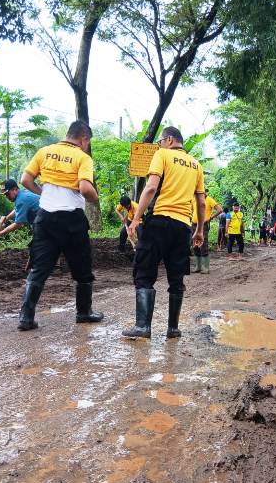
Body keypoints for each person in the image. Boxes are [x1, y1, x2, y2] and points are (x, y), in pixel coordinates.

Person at [16, 120, 103, 331]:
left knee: (39, 268)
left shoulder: (45, 152)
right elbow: (84, 188)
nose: (86, 145)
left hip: (45, 219)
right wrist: (95, 198)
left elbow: (25, 179)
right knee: (82, 268)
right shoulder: (83, 157)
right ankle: (84, 313)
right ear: (84, 138)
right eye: (87, 142)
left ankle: (26, 318)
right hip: (72, 220)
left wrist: (43, 193)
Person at [123, 126, 205, 340]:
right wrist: (199, 230)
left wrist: (136, 218)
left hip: (159, 222)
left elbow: (150, 188)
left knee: (143, 272)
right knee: (176, 278)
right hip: (182, 227)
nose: (159, 145)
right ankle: (173, 329)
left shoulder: (162, 154)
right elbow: (201, 201)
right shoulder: (196, 165)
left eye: (160, 141)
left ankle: (143, 327)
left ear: (169, 140)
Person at [191, 190, 222, 274]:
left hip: (203, 225)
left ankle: (206, 267)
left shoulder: (209, 199)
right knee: (195, 245)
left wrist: (210, 218)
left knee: (203, 244)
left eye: (203, 191)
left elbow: (219, 210)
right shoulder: (194, 199)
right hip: (193, 224)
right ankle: (198, 266)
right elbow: (191, 210)